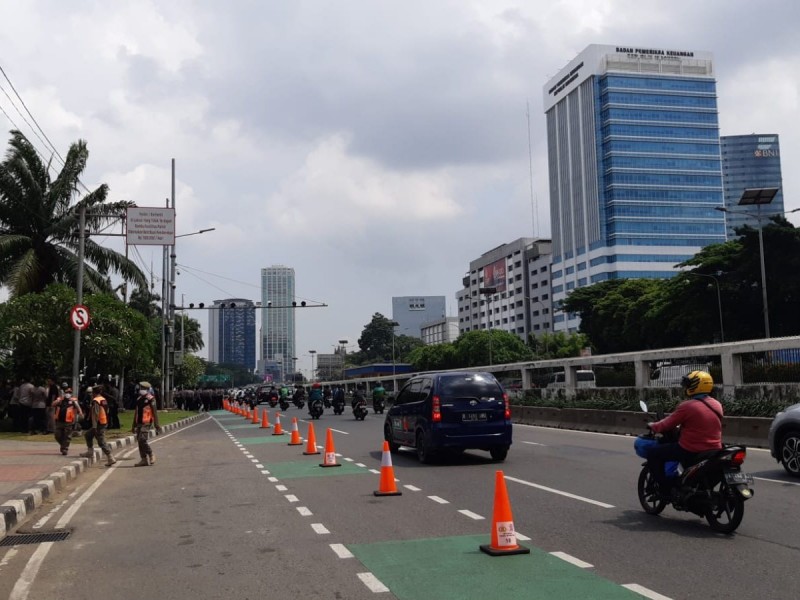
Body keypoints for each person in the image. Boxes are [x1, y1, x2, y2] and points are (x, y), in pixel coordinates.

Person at [647, 370, 723, 499]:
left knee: (654, 453)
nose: (686, 388)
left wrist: (653, 426)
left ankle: (664, 490)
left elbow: (666, 424)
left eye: (688, 384)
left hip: (691, 449)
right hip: (714, 449)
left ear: (695, 386)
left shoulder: (687, 406)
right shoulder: (717, 404)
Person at [80, 384, 117, 466]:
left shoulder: (96, 401)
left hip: (98, 423)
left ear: (94, 392)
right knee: (88, 435)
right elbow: (106, 411)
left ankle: (110, 457)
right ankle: (90, 452)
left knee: (101, 441)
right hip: (103, 421)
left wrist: (94, 426)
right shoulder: (103, 399)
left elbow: (95, 414)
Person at [131, 381, 161, 466]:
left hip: (147, 422)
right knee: (139, 441)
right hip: (139, 422)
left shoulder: (151, 399)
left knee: (142, 439)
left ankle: (151, 454)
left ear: (147, 389)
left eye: (143, 388)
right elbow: (136, 412)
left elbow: (155, 412)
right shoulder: (139, 399)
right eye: (141, 388)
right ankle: (143, 459)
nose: (141, 390)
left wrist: (156, 424)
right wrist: (133, 425)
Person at [52, 387, 83, 455]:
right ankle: (63, 445)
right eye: (66, 392)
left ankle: (64, 449)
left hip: (68, 421)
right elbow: (53, 404)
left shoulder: (73, 400)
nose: (68, 394)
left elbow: (78, 407)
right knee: (57, 435)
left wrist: (80, 413)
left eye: (69, 393)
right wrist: (59, 400)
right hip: (59, 420)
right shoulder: (60, 399)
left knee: (67, 435)